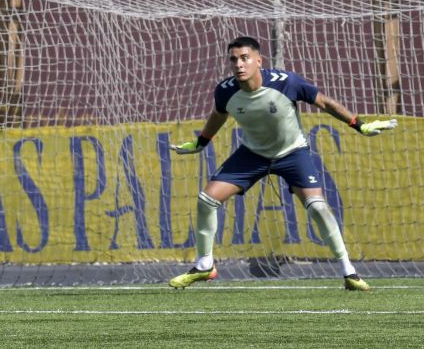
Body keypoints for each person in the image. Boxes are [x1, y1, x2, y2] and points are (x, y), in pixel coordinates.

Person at [168, 36, 397, 292]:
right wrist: (201, 142)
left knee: (318, 208)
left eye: (244, 58)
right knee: (206, 200)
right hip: (252, 154)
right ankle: (205, 265)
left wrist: (360, 125)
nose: (239, 64)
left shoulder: (286, 82)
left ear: (258, 61)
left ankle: (349, 272)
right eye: (234, 59)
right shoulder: (225, 90)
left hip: (293, 153)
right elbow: (218, 115)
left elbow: (324, 102)